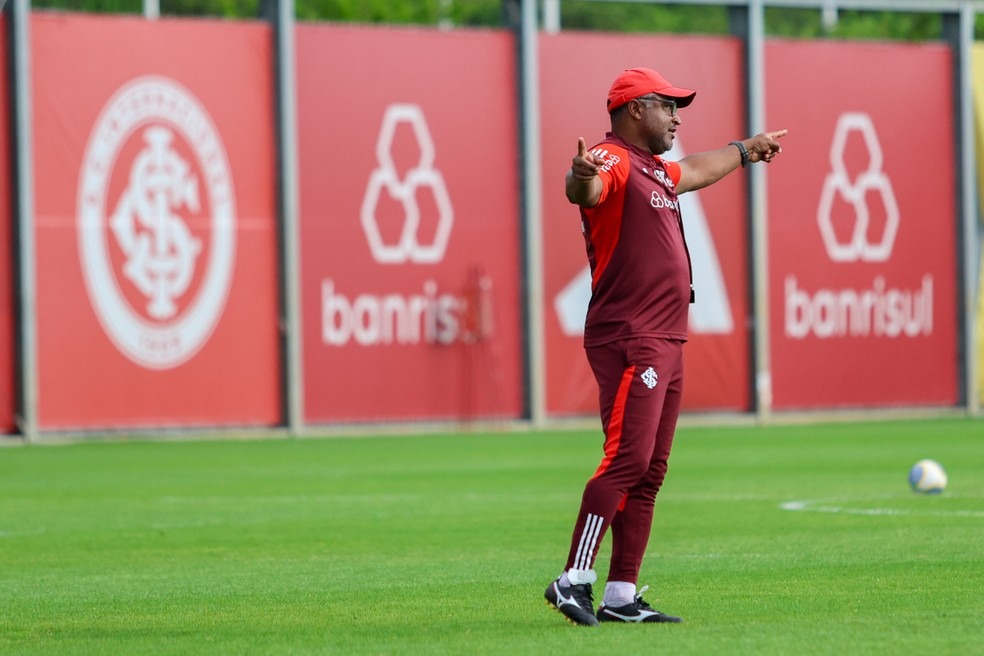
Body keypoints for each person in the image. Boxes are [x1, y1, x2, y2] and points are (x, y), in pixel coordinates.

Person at [544, 67, 787, 626]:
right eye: (667, 106)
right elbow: (586, 186)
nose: (677, 116)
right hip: (632, 334)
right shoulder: (613, 159)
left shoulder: (655, 169)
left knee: (650, 469)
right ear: (635, 110)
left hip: (666, 335)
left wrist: (746, 150)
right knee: (627, 458)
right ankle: (572, 579)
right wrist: (577, 177)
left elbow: (698, 168)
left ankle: (621, 595)